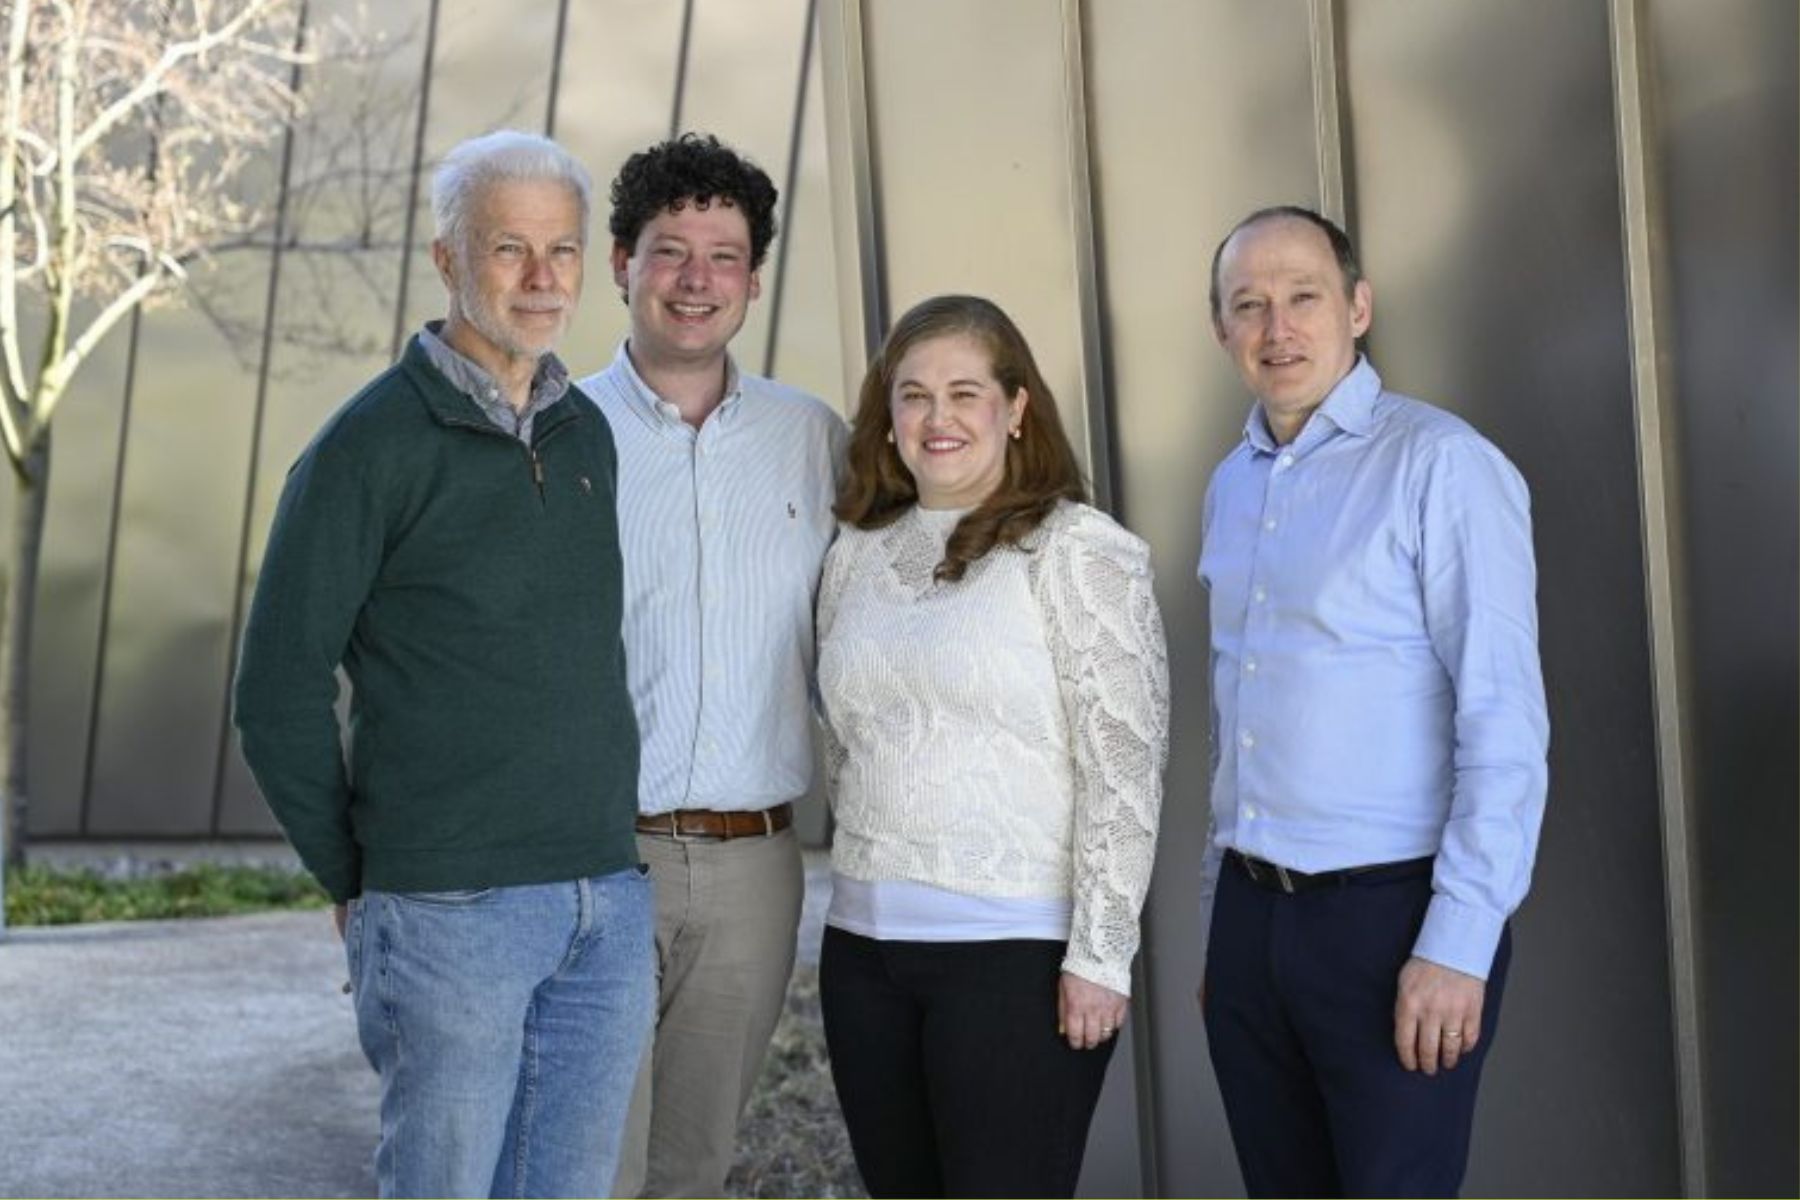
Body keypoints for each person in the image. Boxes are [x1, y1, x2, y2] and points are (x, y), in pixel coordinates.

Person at [233, 130, 653, 1199]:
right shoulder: (366, 448)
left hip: (604, 899)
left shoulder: (586, 434)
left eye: (561, 251)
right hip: (448, 911)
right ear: (448, 259)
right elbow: (276, 692)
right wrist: (358, 879)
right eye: (509, 248)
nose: (542, 278)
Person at [1196, 205, 1549, 1197]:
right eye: (1249, 305)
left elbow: (1505, 722)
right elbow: (1237, 718)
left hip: (1392, 922)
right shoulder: (1231, 485)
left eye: (1304, 296)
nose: (1279, 328)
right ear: (1222, 330)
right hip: (1253, 923)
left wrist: (1459, 945)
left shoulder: (1442, 467)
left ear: (1358, 306)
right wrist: (1217, 927)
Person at [816, 294, 1169, 1198]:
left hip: (1013, 956)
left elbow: (1123, 770)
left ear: (1015, 409)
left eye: (965, 393)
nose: (938, 418)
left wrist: (1099, 955)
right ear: (886, 417)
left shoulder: (1078, 551)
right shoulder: (856, 550)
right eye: (914, 395)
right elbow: (845, 739)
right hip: (864, 954)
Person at [578, 133, 846, 1198]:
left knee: (693, 1168)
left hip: (754, 871)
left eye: (723, 255)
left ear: (754, 278)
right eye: (669, 250)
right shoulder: (554, 433)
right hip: (594, 861)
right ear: (620, 263)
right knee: (588, 1162)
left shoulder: (815, 441)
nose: (697, 280)